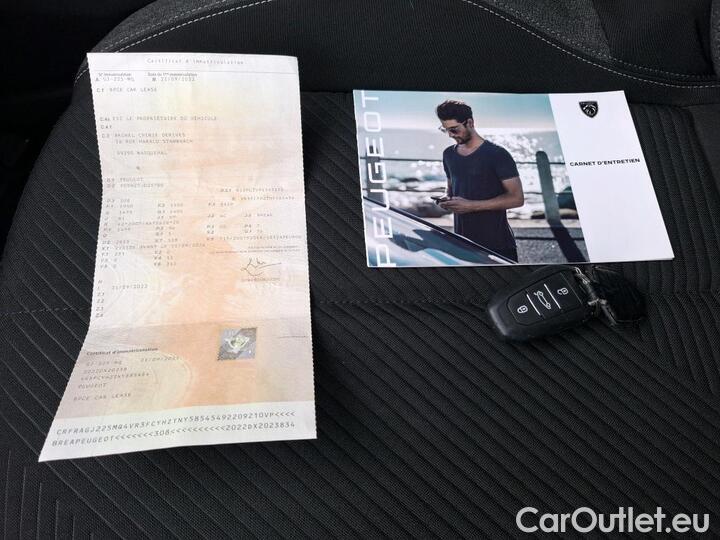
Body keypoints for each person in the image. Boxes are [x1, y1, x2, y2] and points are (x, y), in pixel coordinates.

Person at [436, 100, 524, 261]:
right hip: (462, 244)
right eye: (445, 130)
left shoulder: (497, 154)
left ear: (470, 123)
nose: (450, 135)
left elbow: (517, 199)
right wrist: (446, 199)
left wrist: (471, 206)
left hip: (497, 246)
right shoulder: (448, 154)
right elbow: (451, 189)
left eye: (454, 129)